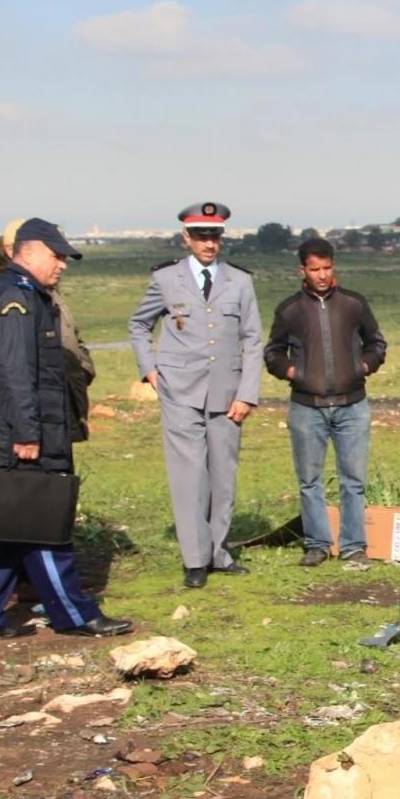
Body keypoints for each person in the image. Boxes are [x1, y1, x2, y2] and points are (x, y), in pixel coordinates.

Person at [0, 219, 131, 643]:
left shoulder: (19, 292)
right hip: (20, 435)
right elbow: (16, 373)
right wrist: (28, 433)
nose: (62, 265)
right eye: (56, 255)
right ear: (27, 251)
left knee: (5, 525)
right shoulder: (16, 297)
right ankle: (74, 614)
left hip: (9, 431)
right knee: (44, 525)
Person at [129, 202, 263, 589]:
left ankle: (219, 552)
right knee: (189, 477)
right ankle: (195, 559)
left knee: (223, 475)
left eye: (215, 235)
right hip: (180, 390)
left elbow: (253, 340)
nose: (209, 243)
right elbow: (139, 324)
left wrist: (247, 393)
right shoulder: (167, 279)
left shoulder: (239, 281)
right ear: (186, 238)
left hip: (227, 392)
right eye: (202, 235)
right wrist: (149, 369)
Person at [265, 237, 387, 567]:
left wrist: (363, 365)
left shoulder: (353, 304)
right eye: (315, 269)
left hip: (352, 406)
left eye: (327, 268)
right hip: (306, 407)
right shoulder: (289, 310)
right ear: (302, 270)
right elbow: (272, 352)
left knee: (354, 480)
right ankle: (317, 544)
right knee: (309, 481)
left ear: (334, 266)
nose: (321, 275)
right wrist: (293, 372)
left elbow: (376, 343)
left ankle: (353, 545)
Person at [0, 219, 95, 441]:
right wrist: (23, 425)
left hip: (57, 400)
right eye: (55, 255)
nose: (62, 264)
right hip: (15, 415)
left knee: (55, 470)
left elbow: (71, 334)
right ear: (15, 250)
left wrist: (82, 369)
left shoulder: (44, 289)